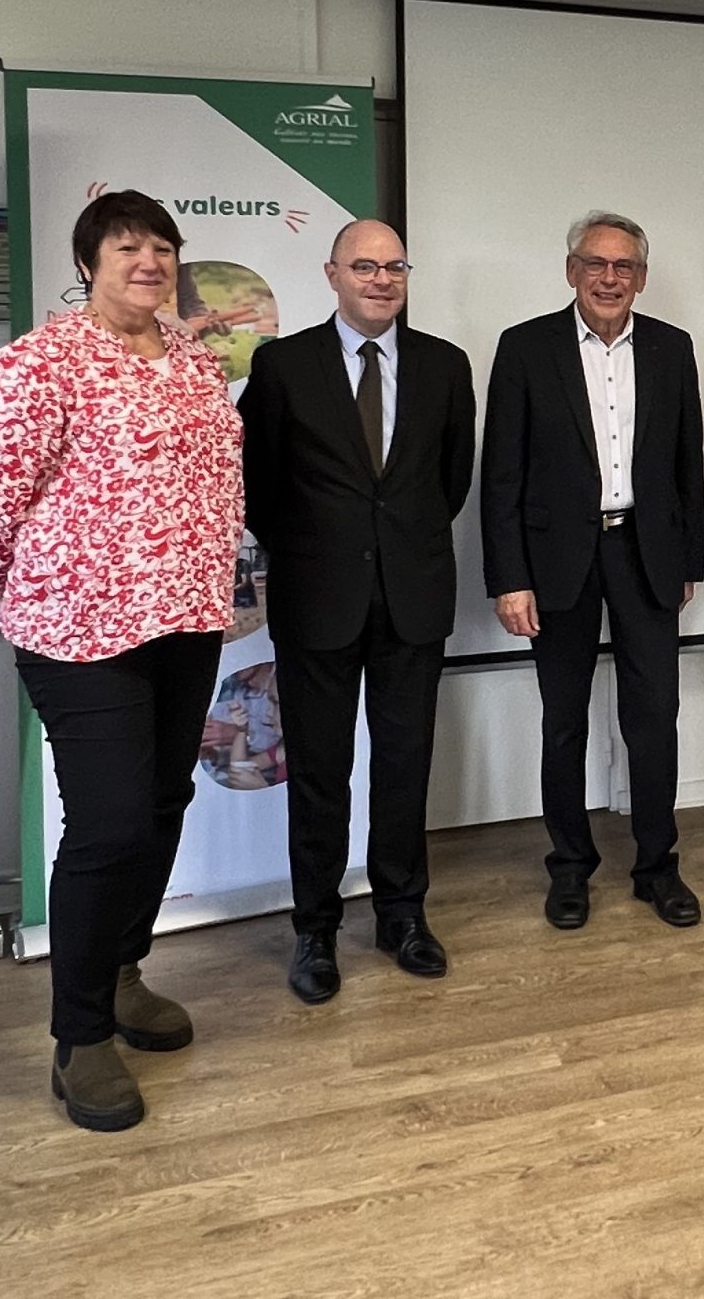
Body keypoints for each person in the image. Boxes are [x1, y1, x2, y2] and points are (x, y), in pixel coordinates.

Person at [0, 189, 244, 1133]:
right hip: (78, 633)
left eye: (160, 247)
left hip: (186, 619)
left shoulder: (194, 362)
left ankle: (120, 972)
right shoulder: (37, 365)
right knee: (108, 821)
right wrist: (28, 585)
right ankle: (80, 1038)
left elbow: (219, 481)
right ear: (88, 263)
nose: (146, 261)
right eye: (126, 246)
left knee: (163, 801)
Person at [239, 218, 475, 1007]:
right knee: (319, 771)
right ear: (332, 273)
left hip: (413, 597)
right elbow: (260, 489)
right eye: (365, 266)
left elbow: (451, 483)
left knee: (406, 767)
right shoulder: (281, 366)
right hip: (318, 599)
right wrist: (322, 549)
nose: (381, 279)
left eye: (395, 266)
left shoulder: (445, 366)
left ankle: (403, 917)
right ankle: (314, 929)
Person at [482, 212, 704, 931]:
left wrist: (688, 559)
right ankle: (570, 868)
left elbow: (686, 461)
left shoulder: (673, 348)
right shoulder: (525, 348)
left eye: (625, 267)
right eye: (596, 264)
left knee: (654, 718)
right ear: (571, 270)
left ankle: (656, 868)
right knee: (564, 721)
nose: (610, 278)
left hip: (645, 550)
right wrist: (507, 577)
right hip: (556, 560)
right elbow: (502, 476)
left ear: (641, 276)